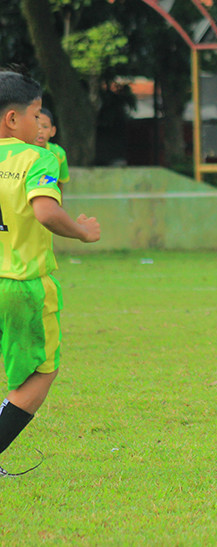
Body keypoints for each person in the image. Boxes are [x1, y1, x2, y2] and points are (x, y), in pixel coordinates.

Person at [0, 71, 101, 476]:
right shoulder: (37, 158)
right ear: (12, 119)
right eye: (36, 115)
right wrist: (81, 231)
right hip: (22, 283)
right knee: (39, 375)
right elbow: (44, 210)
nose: (40, 126)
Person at [33, 108, 70, 187]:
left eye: (45, 127)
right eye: (36, 125)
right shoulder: (22, 151)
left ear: (53, 131)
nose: (40, 131)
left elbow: (60, 183)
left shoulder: (59, 154)